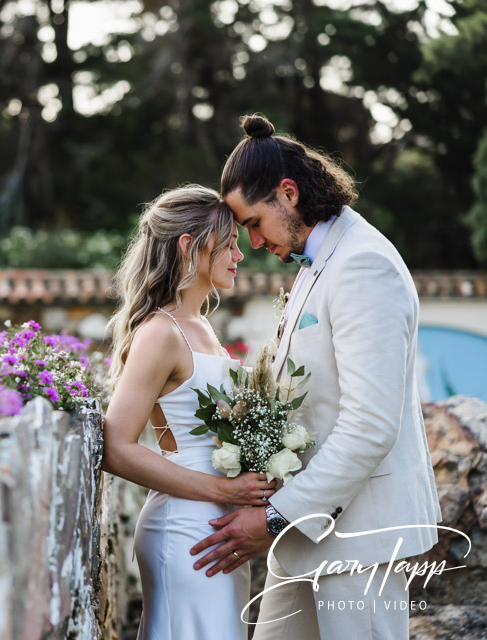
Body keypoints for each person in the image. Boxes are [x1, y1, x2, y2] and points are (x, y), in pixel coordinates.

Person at [189, 114, 442, 639]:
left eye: (254, 222)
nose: (253, 242)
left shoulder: (362, 265)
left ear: (289, 193)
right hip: (306, 529)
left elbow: (371, 424)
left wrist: (276, 515)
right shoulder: (316, 262)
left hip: (360, 536)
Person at [102, 185, 277, 639]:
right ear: (190, 245)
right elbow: (116, 446)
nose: (240, 254)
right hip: (185, 525)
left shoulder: (200, 326)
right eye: (231, 243)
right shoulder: (160, 332)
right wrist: (225, 488)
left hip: (216, 522)